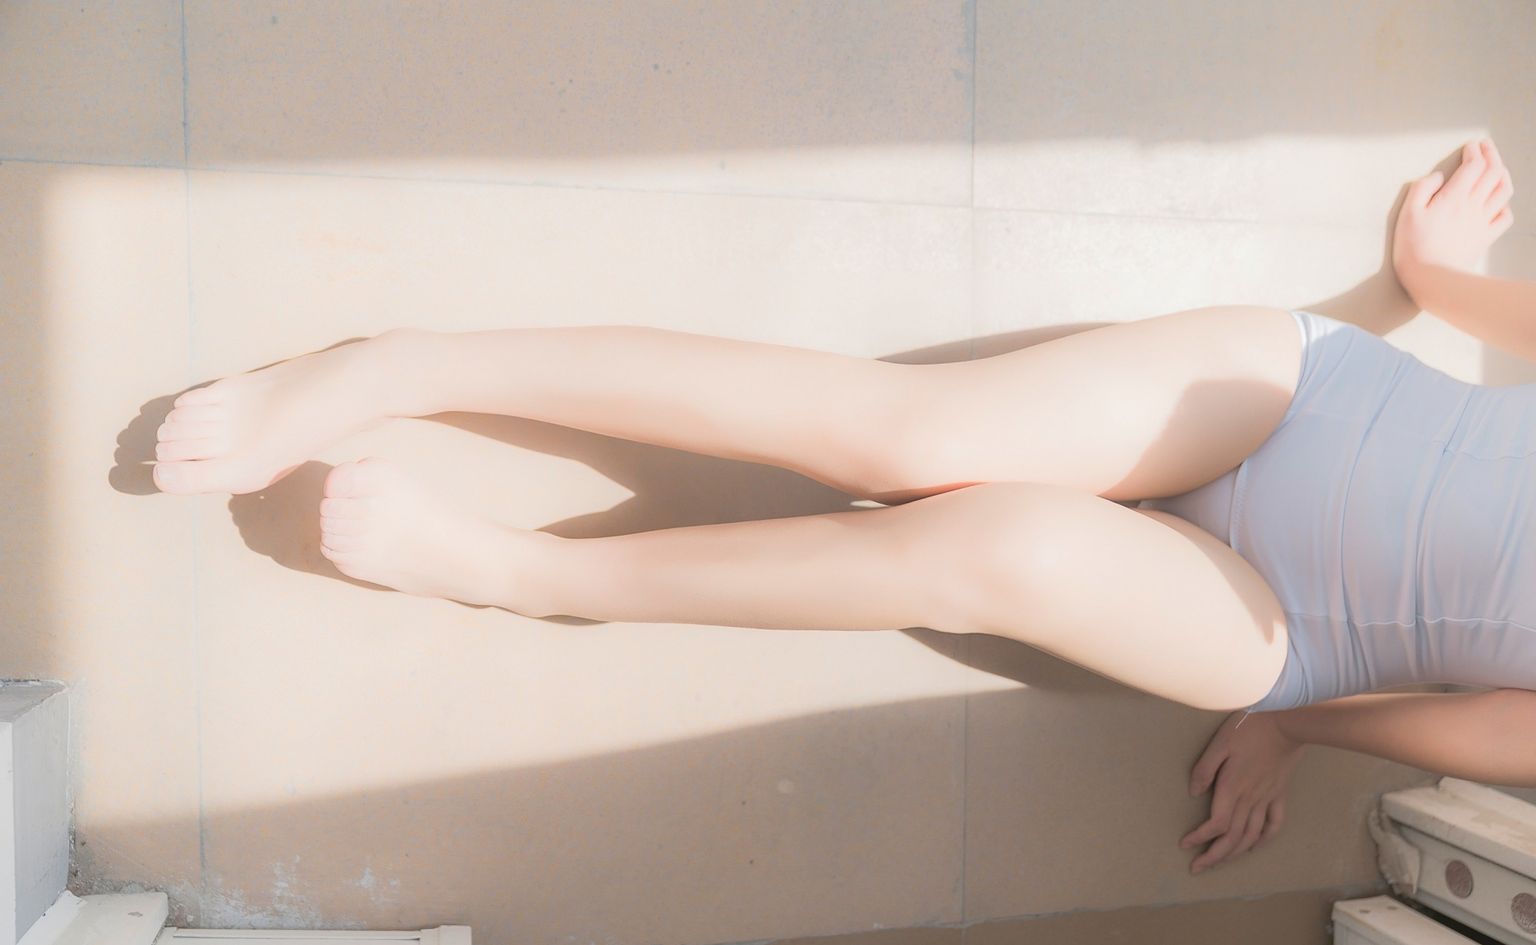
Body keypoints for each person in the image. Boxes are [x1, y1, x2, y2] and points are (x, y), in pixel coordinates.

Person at [152, 138, 1518, 875]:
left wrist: (1295, 725)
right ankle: (407, 366)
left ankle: (531, 574)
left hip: (1292, 627)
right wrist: (1437, 280)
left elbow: (1491, 732)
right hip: (1312, 403)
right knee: (912, 433)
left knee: (993, 548)